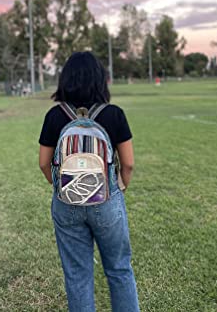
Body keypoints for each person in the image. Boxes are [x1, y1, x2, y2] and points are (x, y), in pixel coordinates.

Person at [39, 52, 139, 312]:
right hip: (106, 199)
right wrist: (120, 187)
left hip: (66, 201)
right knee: (119, 269)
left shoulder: (55, 116)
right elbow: (128, 163)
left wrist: (61, 186)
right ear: (101, 80)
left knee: (77, 275)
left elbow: (43, 163)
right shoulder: (114, 114)